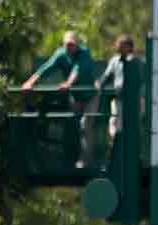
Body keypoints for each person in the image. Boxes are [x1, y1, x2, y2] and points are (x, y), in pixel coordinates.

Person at [21, 30, 100, 166]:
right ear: (64, 45)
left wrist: (68, 83)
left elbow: (77, 70)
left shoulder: (84, 53)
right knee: (73, 126)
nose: (70, 47)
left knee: (86, 126)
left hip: (90, 96)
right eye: (67, 45)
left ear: (77, 44)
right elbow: (45, 69)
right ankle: (70, 159)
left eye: (72, 45)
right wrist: (30, 82)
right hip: (76, 98)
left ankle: (86, 162)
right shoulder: (60, 54)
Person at [99, 33, 138, 147]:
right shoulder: (114, 60)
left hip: (133, 100)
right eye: (118, 44)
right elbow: (106, 76)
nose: (119, 47)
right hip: (119, 99)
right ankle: (116, 147)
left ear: (129, 47)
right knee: (115, 124)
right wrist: (100, 84)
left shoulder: (135, 61)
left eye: (122, 45)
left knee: (131, 127)